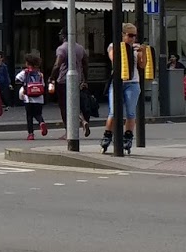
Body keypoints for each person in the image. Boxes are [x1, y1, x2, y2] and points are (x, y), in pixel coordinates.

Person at [101, 23, 152, 155]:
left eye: (135, 36)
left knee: (130, 112)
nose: (133, 39)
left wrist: (143, 52)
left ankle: (128, 137)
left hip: (133, 83)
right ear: (123, 35)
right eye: (130, 36)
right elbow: (114, 59)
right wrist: (126, 50)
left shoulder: (136, 48)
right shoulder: (114, 46)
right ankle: (107, 135)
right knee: (114, 111)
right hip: (118, 82)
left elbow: (142, 65)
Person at [51, 32, 90, 138]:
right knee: (75, 103)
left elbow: (57, 65)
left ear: (63, 36)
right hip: (77, 79)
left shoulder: (62, 49)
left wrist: (51, 78)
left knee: (64, 106)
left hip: (63, 81)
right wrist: (84, 79)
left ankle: (68, 131)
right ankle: (83, 120)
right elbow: (86, 64)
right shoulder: (80, 48)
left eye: (60, 34)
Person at [17, 52, 49, 140]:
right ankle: (41, 122)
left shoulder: (25, 72)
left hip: (28, 98)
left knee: (29, 116)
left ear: (27, 63)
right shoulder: (39, 74)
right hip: (39, 98)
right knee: (38, 113)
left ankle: (31, 134)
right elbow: (43, 85)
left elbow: (17, 79)